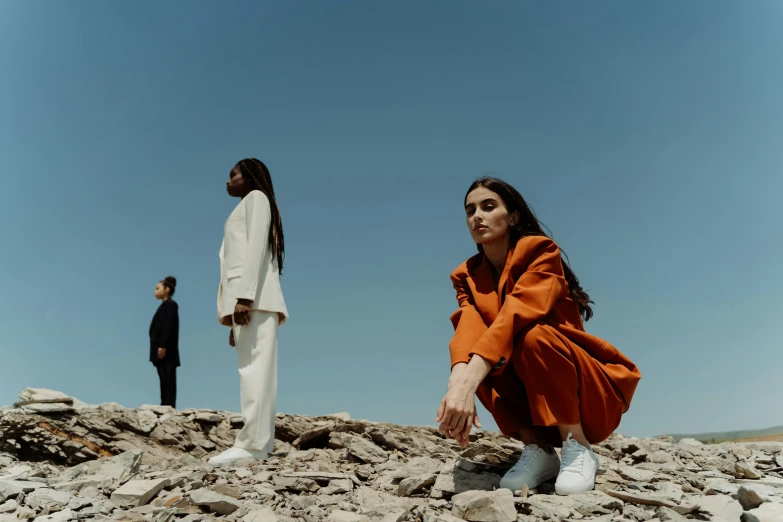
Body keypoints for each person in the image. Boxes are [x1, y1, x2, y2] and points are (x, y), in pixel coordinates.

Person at [436, 177, 641, 495]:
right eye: (470, 210)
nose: (477, 215)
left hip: (586, 395)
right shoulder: (466, 276)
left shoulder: (540, 251)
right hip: (532, 405)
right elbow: (468, 325)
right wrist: (458, 382)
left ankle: (578, 447)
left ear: (513, 216)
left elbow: (517, 312)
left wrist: (468, 381)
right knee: (479, 351)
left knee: (529, 336)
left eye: (488, 207)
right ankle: (539, 452)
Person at [208, 158, 289, 467]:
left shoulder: (257, 199)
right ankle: (255, 443)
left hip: (254, 299)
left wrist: (244, 297)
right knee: (250, 371)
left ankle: (253, 445)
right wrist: (233, 314)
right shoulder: (244, 206)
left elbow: (255, 248)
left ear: (251, 176)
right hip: (248, 303)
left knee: (256, 371)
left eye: (234, 174)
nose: (227, 181)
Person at [149, 276, 180, 408]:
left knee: (168, 378)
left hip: (166, 350)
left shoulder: (171, 305)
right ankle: (164, 403)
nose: (155, 291)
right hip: (159, 349)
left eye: (158, 288)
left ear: (167, 289)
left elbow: (169, 326)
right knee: (163, 378)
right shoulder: (163, 306)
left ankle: (169, 404)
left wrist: (163, 346)